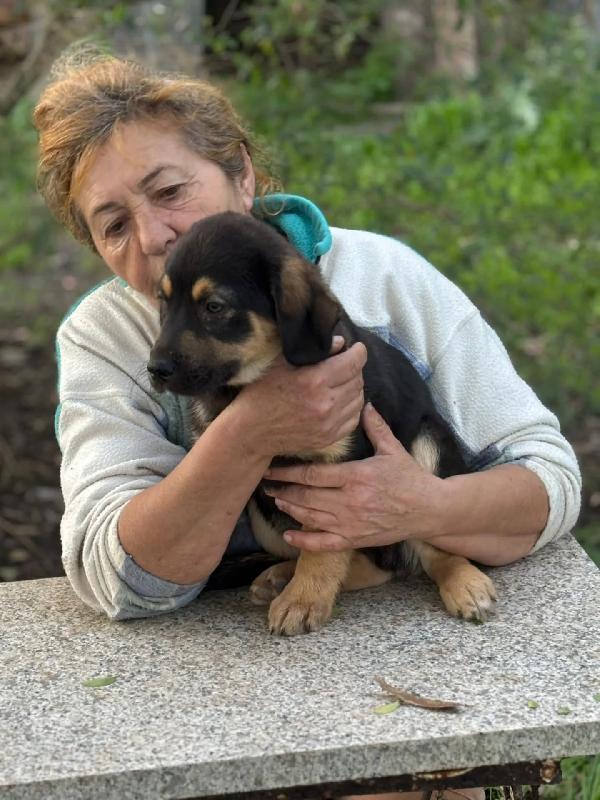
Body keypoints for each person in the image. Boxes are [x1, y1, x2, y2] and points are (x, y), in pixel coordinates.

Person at [34, 50, 581, 800]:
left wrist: (423, 510)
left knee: (427, 772)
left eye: (169, 190)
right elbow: (117, 577)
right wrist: (253, 427)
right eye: (112, 224)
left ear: (244, 176)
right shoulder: (105, 339)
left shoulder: (387, 278)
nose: (155, 234)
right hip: (222, 667)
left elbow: (548, 475)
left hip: (398, 637)